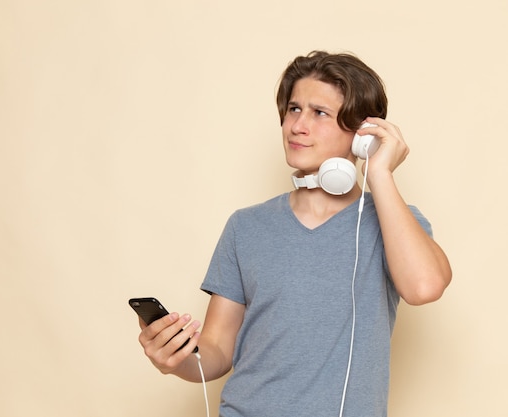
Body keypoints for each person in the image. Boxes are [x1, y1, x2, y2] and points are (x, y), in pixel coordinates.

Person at [135, 50, 452, 417]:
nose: (297, 126)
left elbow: (425, 287)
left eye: (320, 113)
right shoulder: (246, 226)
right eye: (293, 109)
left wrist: (379, 172)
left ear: (362, 134)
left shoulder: (395, 223)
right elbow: (218, 351)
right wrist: (174, 359)